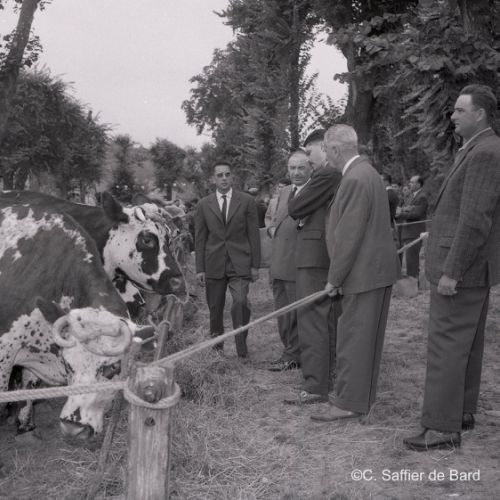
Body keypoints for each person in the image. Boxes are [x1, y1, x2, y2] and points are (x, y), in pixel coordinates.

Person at [404, 84, 500, 451]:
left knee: (446, 345)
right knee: (466, 344)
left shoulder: (485, 152)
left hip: (462, 270)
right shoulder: (477, 148)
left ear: (480, 114)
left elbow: (475, 220)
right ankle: (461, 412)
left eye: (460, 110)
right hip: (471, 268)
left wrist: (452, 271)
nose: (452, 116)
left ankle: (442, 427)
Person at [311, 124, 400, 422]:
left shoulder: (354, 178)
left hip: (363, 275)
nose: (326, 156)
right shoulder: (367, 173)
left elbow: (349, 236)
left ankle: (348, 402)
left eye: (326, 150)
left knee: (353, 340)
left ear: (336, 149)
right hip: (373, 272)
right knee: (365, 340)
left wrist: (334, 278)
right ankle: (359, 397)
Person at [284, 130, 342, 405]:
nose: (307, 159)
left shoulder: (327, 174)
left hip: (314, 256)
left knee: (312, 322)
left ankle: (315, 386)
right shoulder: (330, 174)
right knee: (323, 321)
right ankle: (324, 379)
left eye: (309, 152)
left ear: (323, 147)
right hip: (319, 254)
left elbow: (295, 207)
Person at [194, 161, 261, 358]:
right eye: (220, 175)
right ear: (213, 179)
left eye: (227, 174)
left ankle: (242, 349)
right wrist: (200, 268)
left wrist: (255, 265)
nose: (224, 178)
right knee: (215, 309)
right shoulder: (203, 204)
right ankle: (217, 352)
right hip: (213, 263)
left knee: (240, 302)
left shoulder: (246, 201)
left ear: (232, 177)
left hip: (239, 262)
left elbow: (254, 235)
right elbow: (200, 238)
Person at [267, 150, 312, 372]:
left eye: (301, 167)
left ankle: (295, 355)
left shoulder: (315, 191)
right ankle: (290, 351)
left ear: (310, 168)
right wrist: (271, 230)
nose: (296, 172)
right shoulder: (285, 192)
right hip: (279, 262)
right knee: (283, 312)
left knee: (298, 313)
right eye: (292, 168)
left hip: (298, 262)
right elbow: (274, 220)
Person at [396, 175, 428, 278]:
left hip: (415, 231)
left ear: (419, 184)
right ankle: (412, 279)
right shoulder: (411, 196)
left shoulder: (422, 197)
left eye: (412, 182)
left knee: (412, 259)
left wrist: (400, 213)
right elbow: (406, 209)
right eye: (410, 182)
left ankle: (414, 281)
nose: (410, 184)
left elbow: (416, 214)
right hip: (407, 231)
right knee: (409, 259)